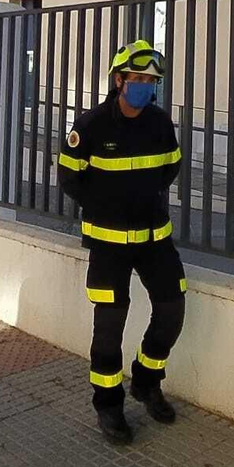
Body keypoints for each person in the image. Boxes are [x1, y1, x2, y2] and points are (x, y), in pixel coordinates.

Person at [58, 39, 186, 444]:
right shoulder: (91, 125)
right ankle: (109, 405)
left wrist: (141, 201)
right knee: (109, 326)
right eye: (138, 79)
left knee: (172, 309)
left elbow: (170, 168)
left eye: (152, 81)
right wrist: (106, 205)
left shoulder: (160, 123)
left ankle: (147, 382)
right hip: (108, 243)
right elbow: (69, 177)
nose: (145, 87)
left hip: (154, 239)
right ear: (118, 80)